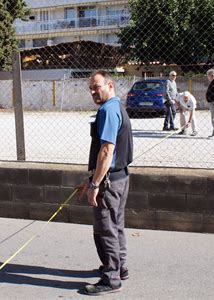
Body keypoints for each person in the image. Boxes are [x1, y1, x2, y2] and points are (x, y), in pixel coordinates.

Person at [77, 70, 133, 296]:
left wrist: (95, 184)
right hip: (120, 178)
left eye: (96, 87)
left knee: (105, 229)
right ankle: (121, 267)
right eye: (90, 88)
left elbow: (107, 151)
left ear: (110, 85)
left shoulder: (109, 110)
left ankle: (111, 279)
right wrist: (91, 179)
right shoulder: (118, 107)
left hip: (109, 183)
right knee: (116, 225)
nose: (92, 91)